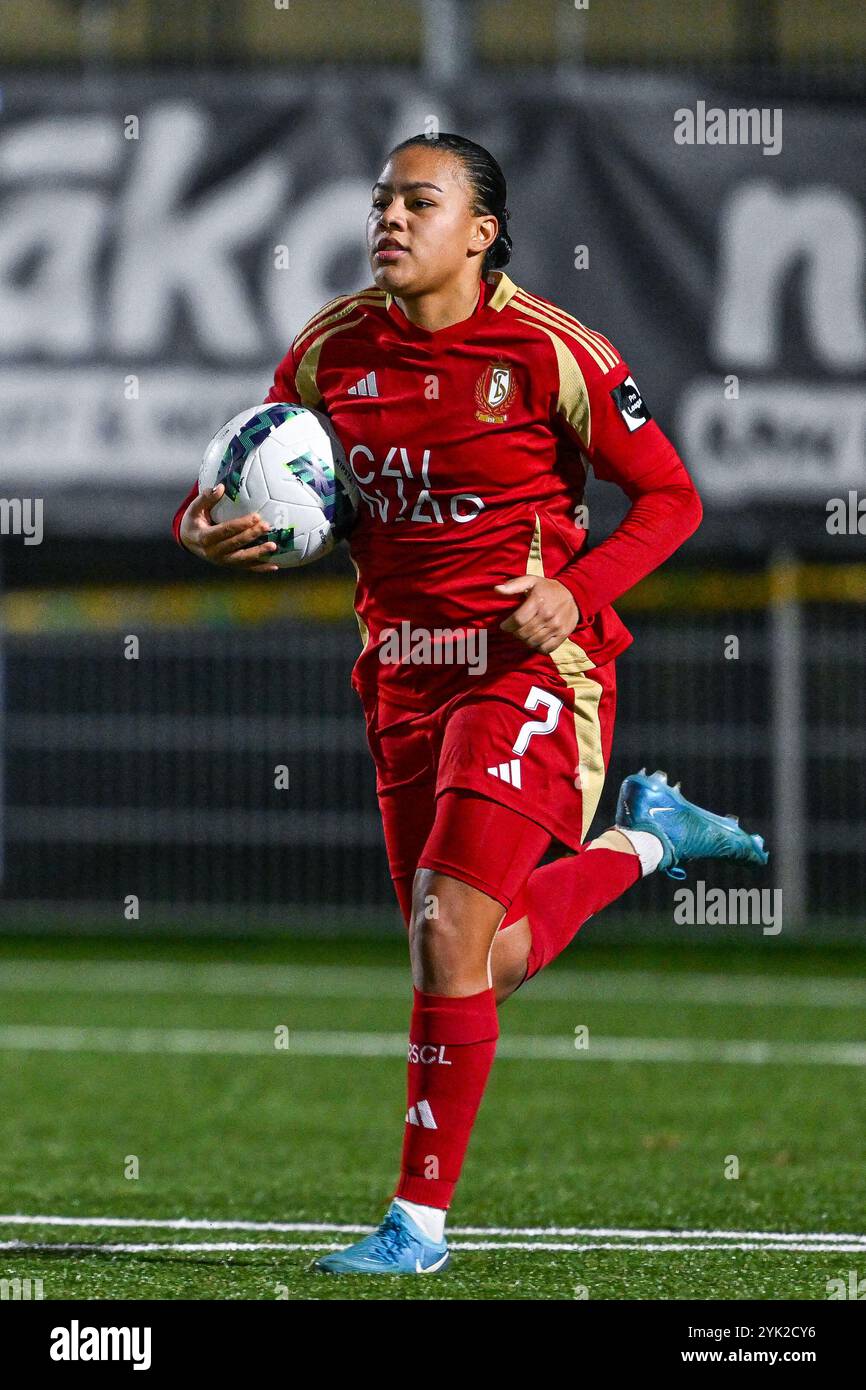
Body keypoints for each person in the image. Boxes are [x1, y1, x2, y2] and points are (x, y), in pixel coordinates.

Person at [173, 133, 767, 1276]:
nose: (388, 219)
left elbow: (670, 497)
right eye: (381, 200)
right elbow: (249, 472)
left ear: (480, 232)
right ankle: (647, 840)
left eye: (419, 201)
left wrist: (572, 590)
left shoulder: (550, 354)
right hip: (399, 672)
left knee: (449, 934)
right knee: (466, 954)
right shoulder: (328, 352)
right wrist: (196, 527)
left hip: (530, 672)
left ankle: (416, 1226)